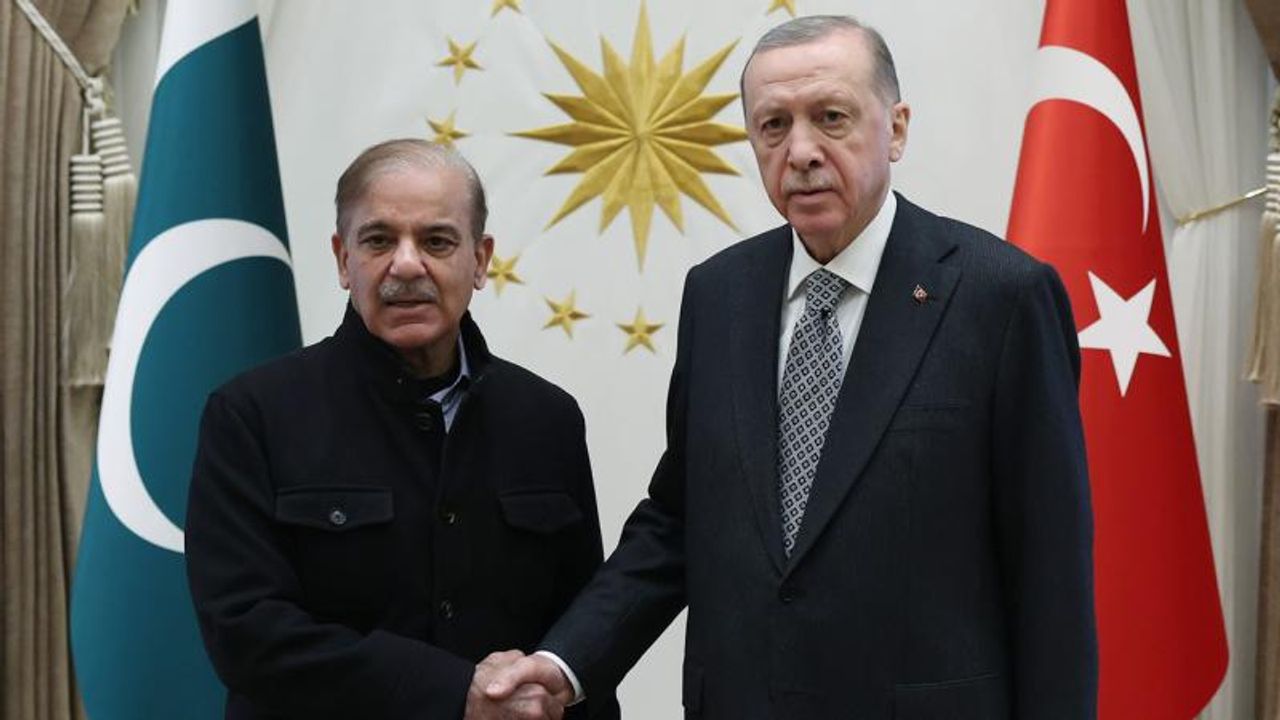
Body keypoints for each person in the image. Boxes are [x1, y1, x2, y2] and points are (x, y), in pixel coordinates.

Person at [486, 15, 1097, 719]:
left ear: (896, 129)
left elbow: (1050, 572)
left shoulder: (1002, 297)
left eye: (831, 117)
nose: (800, 151)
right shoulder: (718, 294)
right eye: (773, 126)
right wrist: (566, 662)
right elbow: (680, 518)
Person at [185, 139, 619, 720]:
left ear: (481, 260)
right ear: (343, 259)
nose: (407, 265)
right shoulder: (252, 415)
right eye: (379, 240)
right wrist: (453, 692)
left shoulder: (547, 420)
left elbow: (575, 643)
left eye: (437, 241)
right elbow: (247, 634)